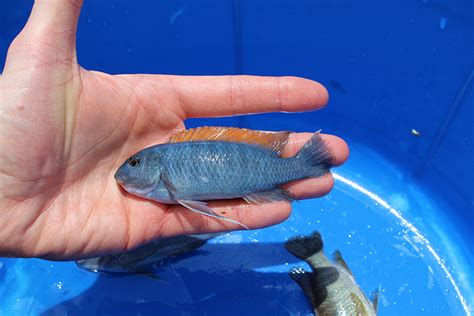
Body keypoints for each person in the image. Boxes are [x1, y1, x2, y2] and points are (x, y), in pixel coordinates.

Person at [0, 0, 348, 260]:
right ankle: (306, 164)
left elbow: (190, 200)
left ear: (153, 166)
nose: (127, 169)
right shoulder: (160, 178)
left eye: (135, 163)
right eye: (134, 163)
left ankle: (305, 164)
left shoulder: (166, 173)